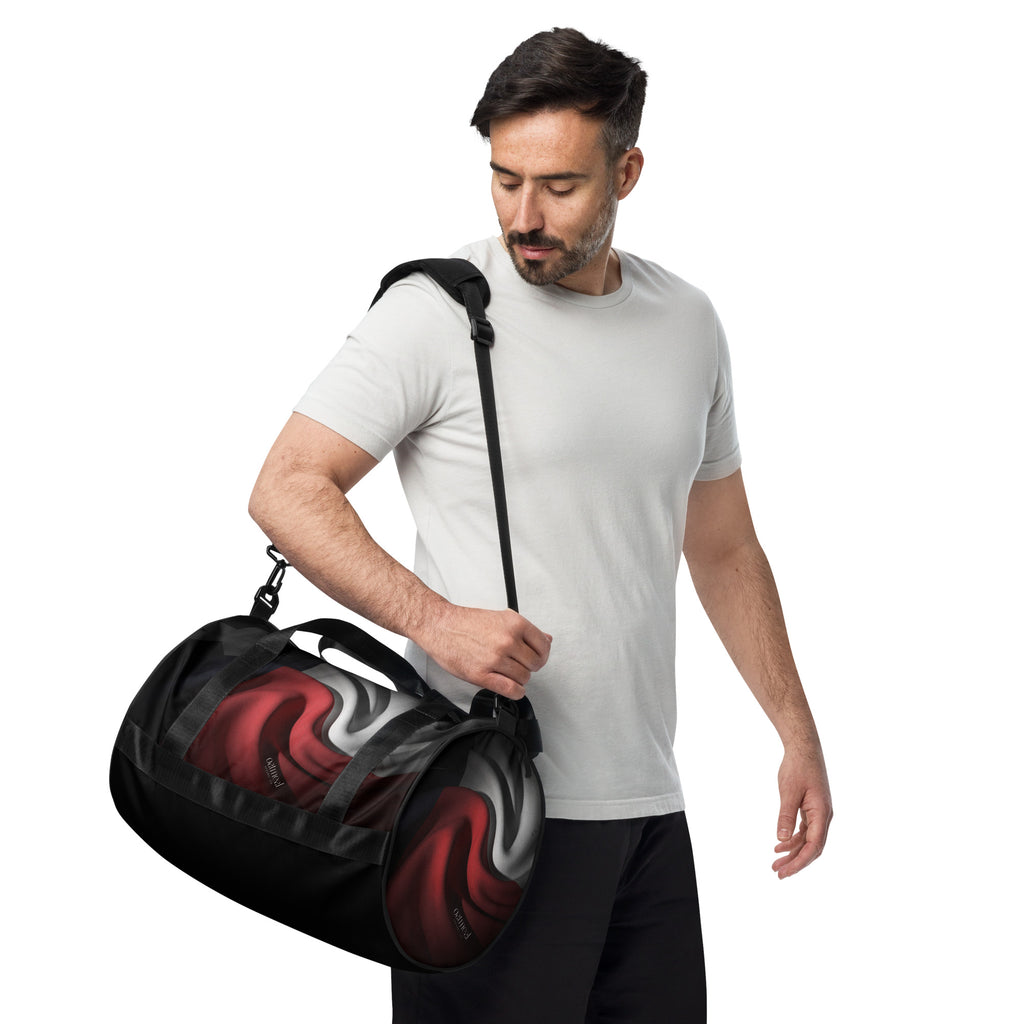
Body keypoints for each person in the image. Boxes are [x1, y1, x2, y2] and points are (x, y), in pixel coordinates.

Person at [249, 26, 832, 1024]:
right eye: (504, 178)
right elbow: (288, 487)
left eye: (559, 186)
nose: (525, 215)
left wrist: (794, 727)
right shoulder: (436, 312)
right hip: (475, 806)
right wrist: (434, 620)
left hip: (647, 805)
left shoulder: (687, 321)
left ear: (626, 172)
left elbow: (724, 545)